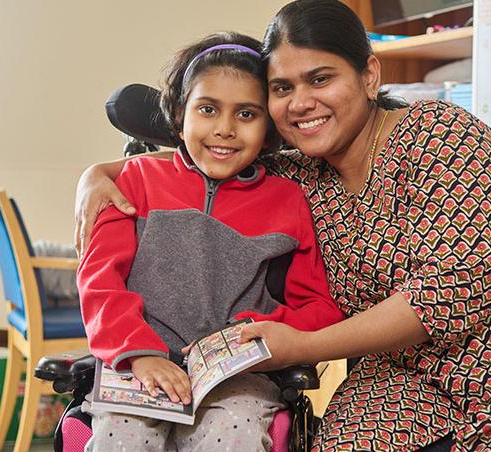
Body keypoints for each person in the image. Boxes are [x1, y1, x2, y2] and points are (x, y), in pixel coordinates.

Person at [75, 1, 491, 450]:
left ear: (369, 75)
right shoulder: (301, 176)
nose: (300, 102)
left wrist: (300, 346)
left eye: (320, 79)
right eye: (282, 88)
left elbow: (447, 302)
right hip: (405, 386)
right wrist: (98, 175)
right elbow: (205, 162)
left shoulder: (447, 139)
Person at [77, 31, 345, 452]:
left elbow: (317, 306)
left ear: (269, 128)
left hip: (238, 377)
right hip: (138, 363)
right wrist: (138, 353)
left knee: (233, 436)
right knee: (122, 438)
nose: (224, 130)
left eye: (246, 115)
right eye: (207, 110)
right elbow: (99, 282)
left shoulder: (288, 201)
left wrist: (266, 333)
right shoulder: (134, 181)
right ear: (181, 115)